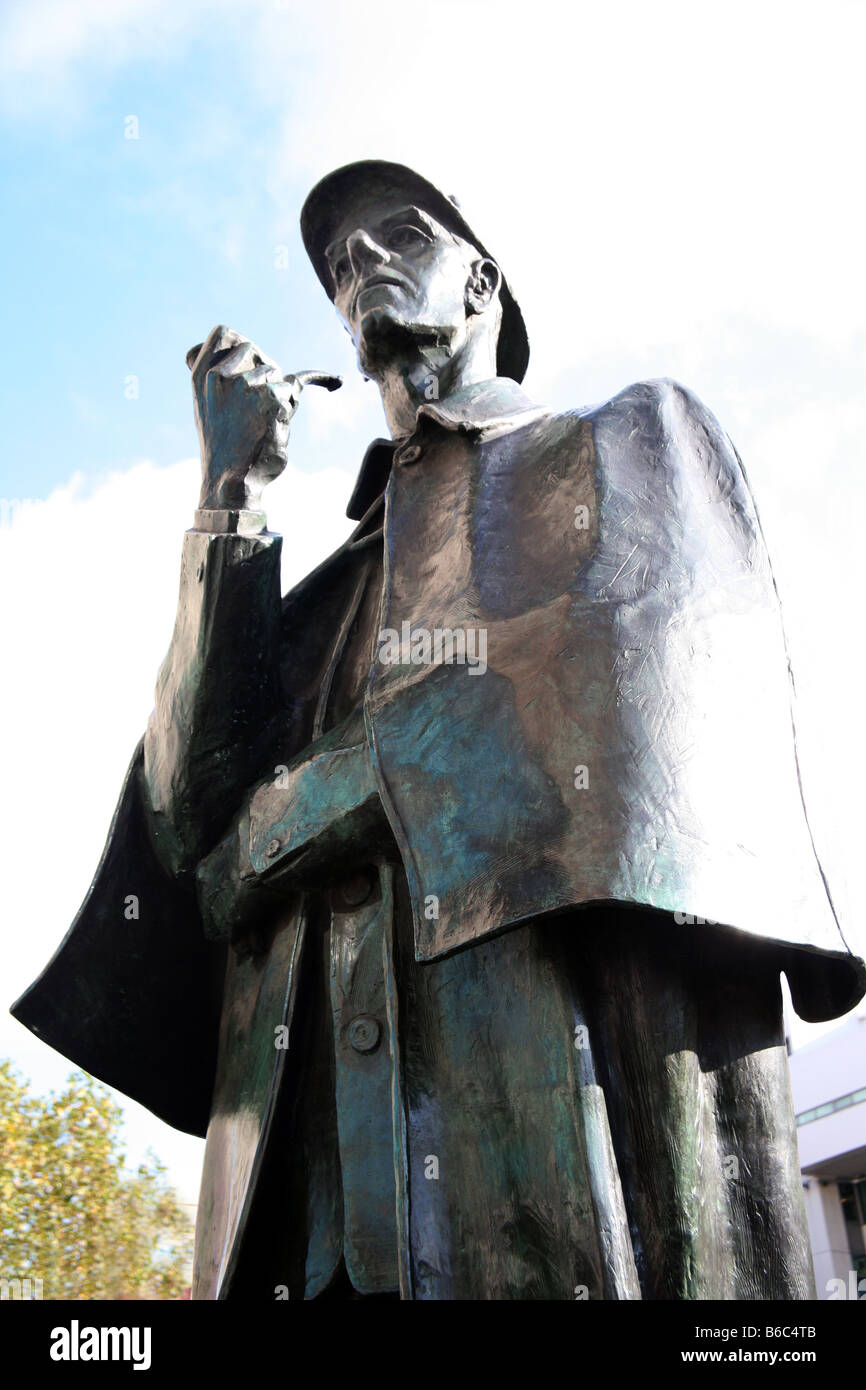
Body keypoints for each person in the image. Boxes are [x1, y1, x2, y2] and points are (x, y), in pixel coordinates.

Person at [13, 161, 865, 1301]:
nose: (358, 261)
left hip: (522, 1165)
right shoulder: (315, 605)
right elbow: (187, 826)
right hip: (288, 1203)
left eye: (398, 235)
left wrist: (275, 828)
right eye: (336, 263)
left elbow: (606, 707)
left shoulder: (615, 446)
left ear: (482, 285)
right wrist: (233, 490)